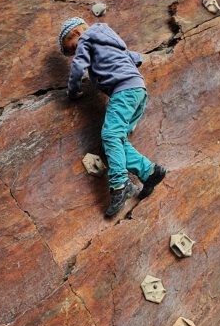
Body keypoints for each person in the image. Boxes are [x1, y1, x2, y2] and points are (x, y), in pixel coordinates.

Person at [59, 17, 167, 217]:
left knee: (110, 135)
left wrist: (73, 91)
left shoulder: (85, 38)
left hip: (123, 92)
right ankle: (149, 172)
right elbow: (135, 58)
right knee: (118, 139)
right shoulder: (109, 35)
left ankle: (119, 185)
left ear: (76, 33)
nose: (76, 51)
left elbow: (77, 68)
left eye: (73, 48)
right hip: (138, 90)